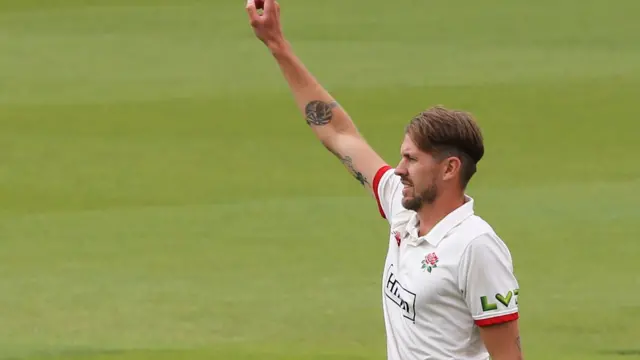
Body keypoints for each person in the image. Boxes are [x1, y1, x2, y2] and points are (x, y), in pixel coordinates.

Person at [245, 1, 524, 359]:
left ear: (450, 168)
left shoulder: (476, 248)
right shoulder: (404, 209)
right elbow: (339, 133)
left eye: (412, 159)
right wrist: (277, 46)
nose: (398, 169)